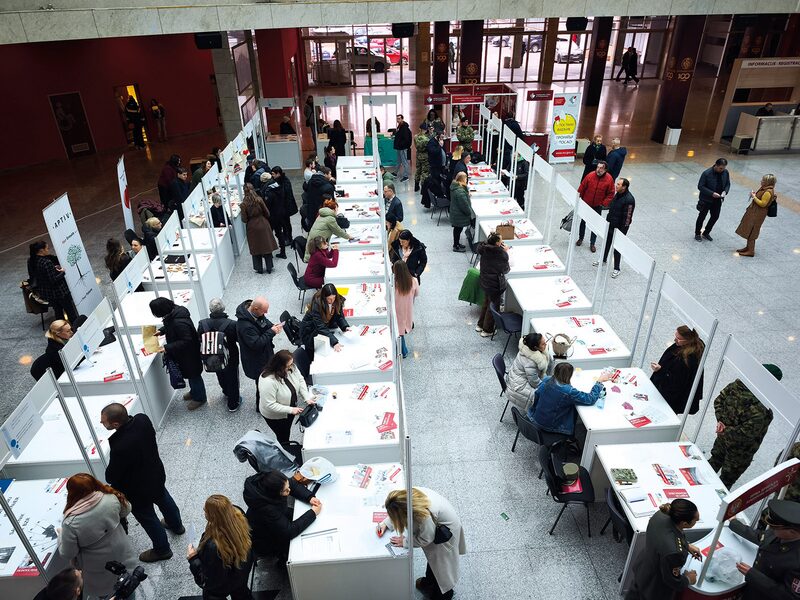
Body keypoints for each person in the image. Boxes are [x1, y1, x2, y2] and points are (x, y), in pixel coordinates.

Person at [101, 402, 184, 563]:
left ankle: (162, 549)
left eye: (104, 421)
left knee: (148, 517)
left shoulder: (120, 446)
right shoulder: (142, 420)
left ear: (115, 424)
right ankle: (176, 525)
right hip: (155, 475)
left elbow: (111, 476)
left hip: (137, 490)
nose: (101, 422)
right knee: (164, 499)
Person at [58, 473, 137, 598]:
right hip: (122, 552)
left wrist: (60, 535)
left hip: (98, 568)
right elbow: (127, 509)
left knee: (106, 593)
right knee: (128, 584)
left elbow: (68, 553)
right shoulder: (110, 498)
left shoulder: (70, 523)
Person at [378, 487, 465, 600]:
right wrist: (386, 523)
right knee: (434, 563)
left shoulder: (424, 517)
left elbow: (425, 539)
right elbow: (399, 509)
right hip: (438, 527)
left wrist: (405, 542)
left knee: (442, 568)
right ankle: (429, 582)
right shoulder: (408, 496)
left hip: (444, 537)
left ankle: (443, 595)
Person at [707, 364, 781, 489]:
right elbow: (746, 433)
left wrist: (720, 422)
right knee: (725, 482)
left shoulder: (738, 385)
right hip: (740, 452)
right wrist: (724, 429)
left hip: (722, 439)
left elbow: (719, 400)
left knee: (712, 464)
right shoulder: (763, 407)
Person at [625, 500, 701, 600]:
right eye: (696, 520)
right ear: (685, 523)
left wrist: (686, 546)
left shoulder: (660, 515)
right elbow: (672, 580)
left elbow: (665, 536)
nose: (697, 520)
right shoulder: (674, 553)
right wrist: (688, 579)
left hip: (643, 568)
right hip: (654, 587)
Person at [242, 470, 321, 560]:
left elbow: (292, 484)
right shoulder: (267, 509)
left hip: (277, 519)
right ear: (275, 494)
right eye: (285, 491)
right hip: (267, 539)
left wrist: (309, 497)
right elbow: (289, 532)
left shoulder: (274, 483)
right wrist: (312, 513)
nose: (289, 490)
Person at [730, 499, 800, 599]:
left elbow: (789, 596)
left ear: (792, 532)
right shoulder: (779, 533)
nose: (771, 528)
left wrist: (753, 575)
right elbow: (759, 537)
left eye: (774, 527)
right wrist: (734, 522)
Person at [187, 495, 253, 600]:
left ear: (213, 517)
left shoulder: (214, 547)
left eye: (206, 511)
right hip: (242, 570)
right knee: (241, 593)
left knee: (212, 596)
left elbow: (207, 580)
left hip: (222, 585)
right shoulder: (239, 516)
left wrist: (193, 559)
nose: (204, 512)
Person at [150, 297, 207, 410]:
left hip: (189, 354)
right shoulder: (175, 312)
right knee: (191, 375)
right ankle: (194, 392)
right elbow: (170, 325)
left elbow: (187, 340)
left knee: (194, 375)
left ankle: (200, 398)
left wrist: (167, 347)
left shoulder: (178, 322)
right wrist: (162, 331)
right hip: (185, 353)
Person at [528, 362, 609, 437]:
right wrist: (599, 381)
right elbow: (590, 399)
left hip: (536, 418)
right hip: (550, 426)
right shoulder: (568, 391)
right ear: (569, 375)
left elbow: (537, 395)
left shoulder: (547, 379)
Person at [258, 349, 316, 444]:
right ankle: (284, 448)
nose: (291, 368)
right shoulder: (268, 381)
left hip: (289, 409)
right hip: (276, 416)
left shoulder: (291, 367)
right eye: (288, 366)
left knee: (287, 429)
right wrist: (290, 410)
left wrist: (306, 397)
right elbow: (269, 404)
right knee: (283, 435)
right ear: (279, 366)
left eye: (291, 364)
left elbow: (300, 380)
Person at [236, 297, 282, 412]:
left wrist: (273, 326)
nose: (266, 313)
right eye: (264, 311)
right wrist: (271, 332)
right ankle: (261, 407)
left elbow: (264, 322)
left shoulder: (255, 313)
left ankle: (268, 402)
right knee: (261, 384)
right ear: (255, 308)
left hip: (264, 355)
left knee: (266, 382)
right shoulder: (245, 326)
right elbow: (256, 344)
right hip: (256, 361)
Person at [198, 298, 242, 412]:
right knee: (232, 378)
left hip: (212, 356)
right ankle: (233, 403)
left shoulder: (203, 324)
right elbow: (238, 340)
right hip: (230, 355)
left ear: (210, 309)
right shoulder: (232, 324)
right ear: (223, 308)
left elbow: (200, 339)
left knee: (219, 373)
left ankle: (225, 391)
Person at [650, 325, 705, 415]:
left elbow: (675, 383)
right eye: (675, 336)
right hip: (667, 394)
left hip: (669, 399)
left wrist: (660, 370)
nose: (675, 340)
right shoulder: (681, 346)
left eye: (679, 338)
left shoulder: (687, 360)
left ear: (688, 340)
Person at [593, 177, 635, 278]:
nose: (616, 186)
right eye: (617, 184)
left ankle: (617, 268)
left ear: (624, 187)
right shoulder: (618, 194)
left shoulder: (629, 200)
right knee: (607, 243)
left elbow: (627, 218)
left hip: (620, 229)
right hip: (611, 224)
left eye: (619, 184)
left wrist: (622, 232)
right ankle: (603, 260)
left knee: (617, 248)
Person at [29, 240, 78, 323]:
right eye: (47, 248)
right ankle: (75, 327)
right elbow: (53, 280)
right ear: (41, 250)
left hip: (48, 294)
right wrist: (63, 272)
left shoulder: (33, 261)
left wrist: (53, 269)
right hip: (59, 292)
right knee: (71, 313)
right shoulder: (47, 262)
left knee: (58, 313)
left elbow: (42, 275)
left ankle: (59, 328)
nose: (48, 250)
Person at [300, 284, 350, 362]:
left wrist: (345, 327)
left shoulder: (338, 300)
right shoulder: (317, 305)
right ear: (324, 297)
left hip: (324, 326)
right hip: (310, 330)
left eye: (334, 298)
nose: (332, 301)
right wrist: (334, 342)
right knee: (316, 355)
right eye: (329, 299)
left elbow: (339, 316)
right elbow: (320, 327)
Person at [506, 333, 554, 412]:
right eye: (543, 344)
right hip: (518, 387)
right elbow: (534, 382)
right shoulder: (530, 362)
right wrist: (546, 387)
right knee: (546, 397)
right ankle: (536, 415)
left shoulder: (526, 349)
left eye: (545, 341)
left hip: (514, 378)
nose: (546, 344)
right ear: (536, 347)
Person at [475, 233, 510, 337]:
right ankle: (487, 330)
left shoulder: (484, 249)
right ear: (497, 243)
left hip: (485, 280)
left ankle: (480, 325)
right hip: (495, 283)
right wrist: (505, 252)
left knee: (486, 302)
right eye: (501, 240)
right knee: (493, 305)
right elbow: (505, 269)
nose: (502, 242)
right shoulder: (500, 254)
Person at [576, 161, 615, 252]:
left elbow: (611, 194)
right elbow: (582, 187)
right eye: (597, 167)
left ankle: (592, 243)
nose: (598, 169)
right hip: (586, 204)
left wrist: (603, 203)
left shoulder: (609, 179)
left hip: (597, 206)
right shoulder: (590, 176)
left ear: (605, 170)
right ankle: (581, 238)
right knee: (583, 222)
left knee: (595, 225)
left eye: (601, 168)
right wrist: (579, 198)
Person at [735, 173, 777, 257]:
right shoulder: (764, 188)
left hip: (758, 214)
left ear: (768, 182)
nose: (761, 181)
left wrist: (754, 197)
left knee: (752, 230)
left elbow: (763, 204)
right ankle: (748, 247)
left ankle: (751, 251)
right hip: (755, 212)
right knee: (749, 229)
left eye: (763, 180)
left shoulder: (768, 192)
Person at [241, 183, 278, 274]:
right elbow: (267, 213)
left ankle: (259, 268)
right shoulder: (259, 200)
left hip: (252, 227)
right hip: (263, 223)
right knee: (266, 246)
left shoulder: (243, 204)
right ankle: (269, 267)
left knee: (255, 248)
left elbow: (244, 219)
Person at [695, 158, 730, 242]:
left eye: (723, 168)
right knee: (702, 217)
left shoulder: (725, 172)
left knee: (715, 216)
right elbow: (700, 186)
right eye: (720, 168)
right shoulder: (706, 173)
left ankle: (706, 232)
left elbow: (728, 184)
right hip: (706, 200)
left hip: (717, 200)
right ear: (716, 165)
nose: (722, 170)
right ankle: (697, 233)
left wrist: (725, 191)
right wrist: (712, 193)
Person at [269, 166, 297, 258]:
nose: (272, 176)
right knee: (285, 224)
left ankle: (289, 238)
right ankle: (287, 238)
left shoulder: (284, 181)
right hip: (282, 207)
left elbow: (286, 195)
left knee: (286, 224)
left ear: (278, 173)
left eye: (273, 174)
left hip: (285, 207)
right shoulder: (281, 181)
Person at [393, 260, 419, 359]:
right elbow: (417, 294)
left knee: (398, 331)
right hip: (408, 310)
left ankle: (403, 351)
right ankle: (403, 350)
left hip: (397, 311)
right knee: (401, 331)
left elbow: (387, 298)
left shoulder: (394, 284)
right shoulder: (414, 281)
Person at [449, 172, 473, 252]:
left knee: (457, 230)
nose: (466, 180)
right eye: (466, 178)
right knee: (458, 230)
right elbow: (464, 205)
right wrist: (469, 212)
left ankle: (457, 244)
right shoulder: (460, 191)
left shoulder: (455, 187)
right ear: (462, 179)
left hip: (455, 212)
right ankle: (456, 246)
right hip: (459, 214)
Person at [393, 114, 412, 182]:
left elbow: (406, 139)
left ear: (402, 119)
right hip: (399, 147)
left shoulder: (404, 127)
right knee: (398, 161)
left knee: (405, 162)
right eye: (397, 119)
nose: (398, 120)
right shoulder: (400, 126)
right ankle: (395, 173)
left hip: (403, 148)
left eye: (399, 118)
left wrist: (402, 145)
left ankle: (406, 176)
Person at [414, 122, 432, 192]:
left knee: (418, 170)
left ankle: (416, 186)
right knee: (425, 172)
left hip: (418, 154)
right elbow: (429, 148)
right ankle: (423, 188)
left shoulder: (415, 136)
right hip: (425, 155)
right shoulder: (427, 139)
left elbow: (415, 145)